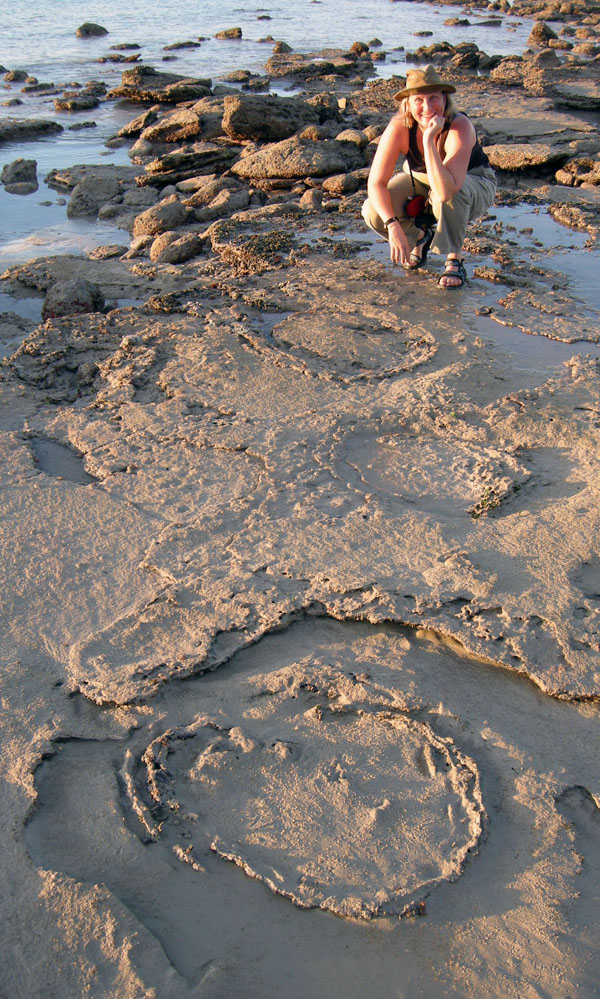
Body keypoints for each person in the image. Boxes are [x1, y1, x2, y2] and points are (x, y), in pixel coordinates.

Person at [361, 64, 497, 289]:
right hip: (422, 179)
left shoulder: (460, 126)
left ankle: (454, 258)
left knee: (450, 194)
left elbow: (445, 191)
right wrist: (393, 225)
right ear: (408, 103)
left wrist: (428, 140)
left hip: (474, 182)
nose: (427, 107)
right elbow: (376, 183)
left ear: (445, 99)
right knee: (373, 211)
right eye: (418, 100)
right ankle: (420, 237)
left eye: (433, 98)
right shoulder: (399, 126)